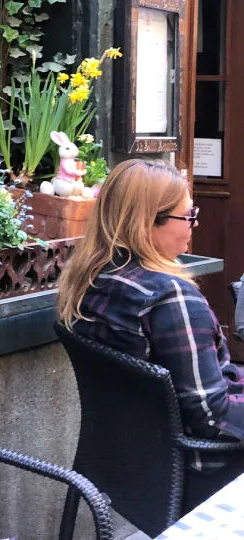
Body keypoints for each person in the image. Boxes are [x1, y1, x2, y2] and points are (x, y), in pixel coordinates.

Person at [57, 158, 244, 505]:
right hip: (200, 470)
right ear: (146, 223)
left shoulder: (91, 281)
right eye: (188, 215)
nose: (196, 223)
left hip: (130, 464)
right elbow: (212, 415)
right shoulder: (171, 299)